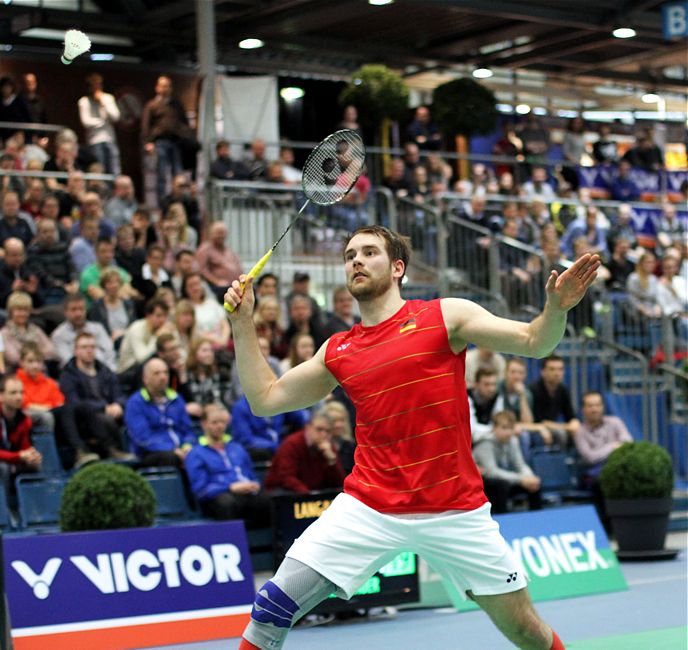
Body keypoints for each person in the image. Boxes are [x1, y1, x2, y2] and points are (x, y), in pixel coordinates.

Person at [225, 223, 598, 650]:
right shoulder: (338, 350)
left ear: (398, 267)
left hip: (455, 508)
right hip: (369, 506)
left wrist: (557, 309)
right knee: (270, 608)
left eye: (369, 252)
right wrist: (242, 323)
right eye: (350, 256)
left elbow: (534, 342)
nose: (357, 261)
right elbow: (266, 399)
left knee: (526, 632)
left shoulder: (444, 316)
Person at [185, 403, 271, 527]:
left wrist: (253, 484)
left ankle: (275, 544)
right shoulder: (196, 453)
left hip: (245, 494)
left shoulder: (237, 448)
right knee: (226, 503)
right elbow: (201, 490)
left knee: (270, 500)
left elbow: (250, 475)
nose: (219, 426)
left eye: (222, 422)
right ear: (204, 424)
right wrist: (229, 487)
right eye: (214, 422)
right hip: (218, 497)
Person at [58, 331, 133, 464]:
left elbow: (119, 394)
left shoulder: (105, 371)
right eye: (84, 347)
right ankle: (108, 450)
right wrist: (103, 407)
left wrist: (118, 405)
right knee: (93, 415)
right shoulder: (68, 374)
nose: (89, 351)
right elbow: (74, 402)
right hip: (83, 419)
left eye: (92, 347)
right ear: (75, 351)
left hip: (111, 414)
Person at [573, 392, 633, 530]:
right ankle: (607, 527)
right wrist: (612, 446)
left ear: (603, 407)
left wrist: (606, 451)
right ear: (583, 409)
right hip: (594, 473)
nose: (594, 409)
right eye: (590, 406)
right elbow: (590, 457)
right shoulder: (580, 432)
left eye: (597, 405)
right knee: (601, 481)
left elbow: (628, 442)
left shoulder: (615, 422)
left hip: (617, 465)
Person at [124, 357, 196, 467]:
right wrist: (172, 449)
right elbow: (143, 439)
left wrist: (187, 446)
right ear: (145, 378)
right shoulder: (136, 403)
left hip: (180, 450)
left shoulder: (176, 398)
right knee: (171, 458)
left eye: (165, 373)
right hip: (150, 453)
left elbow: (188, 431)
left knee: (201, 453)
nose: (163, 377)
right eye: (156, 373)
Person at [473, 411, 542, 515]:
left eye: (510, 428)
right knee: (502, 485)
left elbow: (520, 464)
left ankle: (538, 516)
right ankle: (503, 518)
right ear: (494, 428)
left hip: (505, 477)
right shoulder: (485, 443)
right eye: (504, 428)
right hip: (484, 483)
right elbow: (492, 472)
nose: (508, 432)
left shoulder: (513, 440)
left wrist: (529, 477)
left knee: (534, 484)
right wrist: (521, 479)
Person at [264, 410, 346, 494]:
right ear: (308, 427)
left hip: (313, 495)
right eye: (319, 429)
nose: (323, 434)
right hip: (287, 495)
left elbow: (339, 484)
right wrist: (309, 495)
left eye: (328, 431)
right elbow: (286, 478)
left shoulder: (329, 448)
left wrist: (332, 461)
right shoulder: (292, 444)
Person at [141, 76, 189, 204]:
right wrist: (148, 143)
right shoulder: (152, 105)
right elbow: (146, 126)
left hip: (175, 142)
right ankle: (162, 202)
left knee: (178, 175)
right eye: (162, 85)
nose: (165, 88)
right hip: (160, 142)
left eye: (167, 86)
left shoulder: (176, 105)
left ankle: (179, 199)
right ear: (157, 88)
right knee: (161, 173)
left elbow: (184, 123)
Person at [50, 292, 116, 370]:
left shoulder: (97, 328)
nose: (78, 313)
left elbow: (109, 352)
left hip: (104, 373)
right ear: (65, 312)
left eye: (81, 309)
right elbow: (68, 361)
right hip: (76, 376)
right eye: (73, 310)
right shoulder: (59, 335)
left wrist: (108, 374)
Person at [0, 374, 42, 490]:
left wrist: (31, 456)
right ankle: (5, 507)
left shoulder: (25, 420)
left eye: (21, 392)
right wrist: (19, 456)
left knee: (34, 466)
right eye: (13, 393)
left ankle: (33, 505)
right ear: (1, 396)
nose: (19, 397)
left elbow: (25, 446)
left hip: (12, 460)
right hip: (4, 463)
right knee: (2, 468)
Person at [529, 355, 580, 449]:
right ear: (543, 372)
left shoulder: (563, 390)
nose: (557, 373)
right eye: (552, 369)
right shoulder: (534, 390)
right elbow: (539, 421)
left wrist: (575, 423)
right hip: (534, 428)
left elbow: (570, 416)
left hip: (554, 426)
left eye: (560, 369)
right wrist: (566, 427)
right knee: (560, 433)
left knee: (580, 431)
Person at [0, 291, 57, 370]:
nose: (23, 314)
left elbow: (52, 351)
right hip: (15, 374)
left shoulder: (35, 329)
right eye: (19, 310)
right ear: (11, 311)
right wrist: (37, 354)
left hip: (40, 371)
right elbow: (14, 358)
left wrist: (30, 357)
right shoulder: (4, 333)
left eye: (26, 310)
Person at [77, 73, 121, 175]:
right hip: (94, 141)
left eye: (98, 84)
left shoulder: (108, 98)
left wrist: (103, 103)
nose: (96, 87)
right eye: (94, 85)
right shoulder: (84, 102)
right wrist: (103, 122)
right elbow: (86, 122)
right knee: (99, 170)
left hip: (110, 139)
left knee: (114, 170)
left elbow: (115, 116)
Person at [116, 298, 172, 373]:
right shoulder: (136, 328)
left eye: (165, 316)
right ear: (148, 316)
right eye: (158, 316)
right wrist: (156, 336)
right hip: (128, 371)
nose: (162, 320)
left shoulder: (163, 329)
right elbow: (142, 358)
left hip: (146, 369)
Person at [194, 221, 243, 302]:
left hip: (234, 286)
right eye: (218, 233)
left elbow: (239, 268)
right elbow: (201, 270)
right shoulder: (205, 249)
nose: (221, 235)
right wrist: (216, 281)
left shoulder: (230, 251)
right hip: (216, 289)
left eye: (223, 233)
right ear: (211, 234)